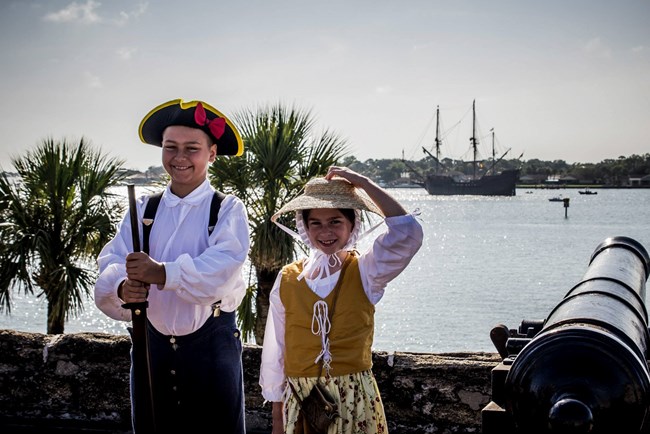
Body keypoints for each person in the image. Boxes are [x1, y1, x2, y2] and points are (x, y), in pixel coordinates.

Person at [94, 98, 250, 433]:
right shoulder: (143, 209)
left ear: (211, 154)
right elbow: (112, 260)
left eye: (192, 148)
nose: (179, 158)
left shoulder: (227, 210)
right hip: (151, 349)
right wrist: (123, 286)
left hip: (212, 349)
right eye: (170, 147)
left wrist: (161, 273)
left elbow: (222, 268)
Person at [260, 166, 423, 433]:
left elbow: (408, 233)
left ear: (352, 225)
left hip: (354, 397)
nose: (326, 232)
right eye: (316, 223)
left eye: (335, 221)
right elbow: (275, 350)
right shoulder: (288, 278)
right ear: (305, 226)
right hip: (302, 400)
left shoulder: (367, 270)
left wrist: (364, 183)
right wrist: (278, 416)